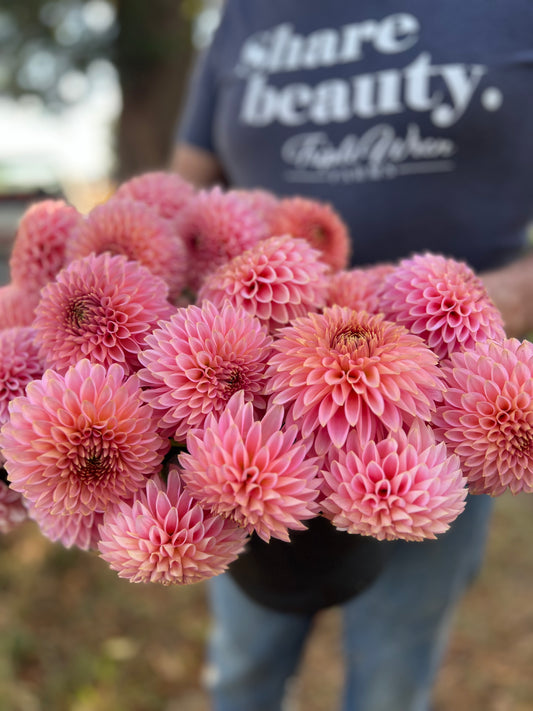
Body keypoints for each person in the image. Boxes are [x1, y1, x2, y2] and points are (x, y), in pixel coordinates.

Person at [170, 2, 533, 709]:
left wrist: (504, 296)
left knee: (393, 671)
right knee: (242, 662)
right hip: (251, 404)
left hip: (444, 408)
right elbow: (183, 193)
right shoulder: (245, 15)